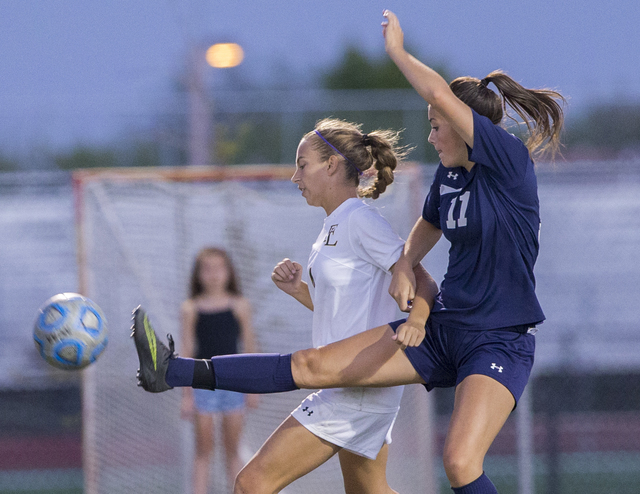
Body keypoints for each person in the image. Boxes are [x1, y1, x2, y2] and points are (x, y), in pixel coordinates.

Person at [132, 10, 565, 494]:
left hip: (498, 337)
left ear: (467, 129)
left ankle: (173, 371)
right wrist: (403, 264)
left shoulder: (507, 162)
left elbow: (440, 93)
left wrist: (398, 53)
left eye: (436, 125)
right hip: (447, 329)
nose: (430, 134)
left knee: (460, 463)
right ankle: (171, 370)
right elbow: (426, 226)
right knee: (314, 372)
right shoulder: (449, 177)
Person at [135, 117, 438, 494]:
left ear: (331, 166)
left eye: (302, 164)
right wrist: (299, 291)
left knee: (251, 484)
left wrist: (419, 319)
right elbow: (345, 311)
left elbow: (421, 278)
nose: (295, 177)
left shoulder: (361, 221)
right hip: (350, 381)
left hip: (354, 386)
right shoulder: (333, 225)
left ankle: (174, 370)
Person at [180, 247, 258, 494]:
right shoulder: (190, 308)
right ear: (198, 274)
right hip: (203, 385)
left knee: (232, 449)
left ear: (229, 272)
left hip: (234, 384)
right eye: (207, 268)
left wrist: (253, 387)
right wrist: (186, 394)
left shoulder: (239, 306)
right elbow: (186, 349)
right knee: (203, 450)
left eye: (219, 268)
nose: (214, 274)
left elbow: (249, 346)